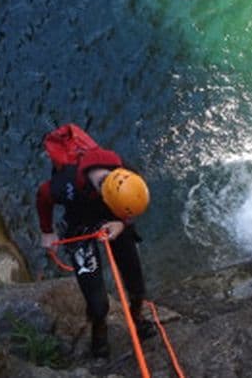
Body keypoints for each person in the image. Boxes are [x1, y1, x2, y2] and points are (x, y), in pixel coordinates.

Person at [36, 134, 152, 358]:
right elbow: (43, 195)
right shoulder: (67, 185)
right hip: (80, 228)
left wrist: (121, 222)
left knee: (137, 286)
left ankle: (137, 318)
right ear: (103, 196)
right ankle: (99, 333)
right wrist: (47, 231)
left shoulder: (127, 173)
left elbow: (131, 206)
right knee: (98, 302)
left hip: (115, 222)